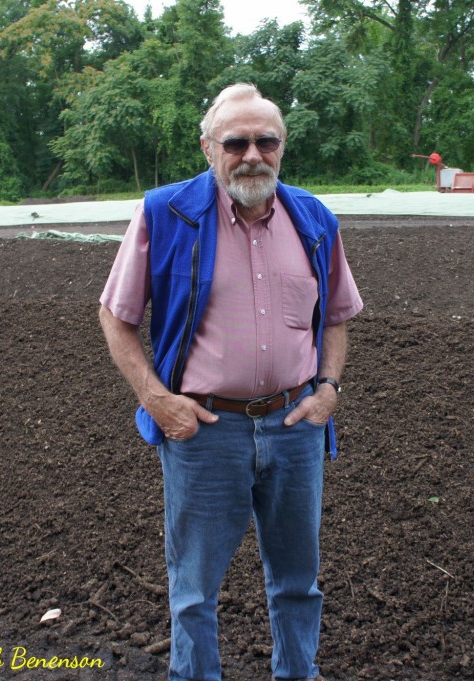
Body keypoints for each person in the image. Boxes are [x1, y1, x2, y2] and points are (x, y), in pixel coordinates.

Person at [98, 83, 363, 681]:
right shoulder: (165, 214)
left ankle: (299, 674)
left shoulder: (313, 219)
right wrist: (156, 399)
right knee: (194, 588)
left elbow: (338, 316)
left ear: (282, 146)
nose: (252, 154)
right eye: (236, 142)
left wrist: (329, 390)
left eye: (265, 141)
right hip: (204, 431)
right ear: (208, 148)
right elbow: (115, 315)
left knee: (299, 582)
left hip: (295, 428)